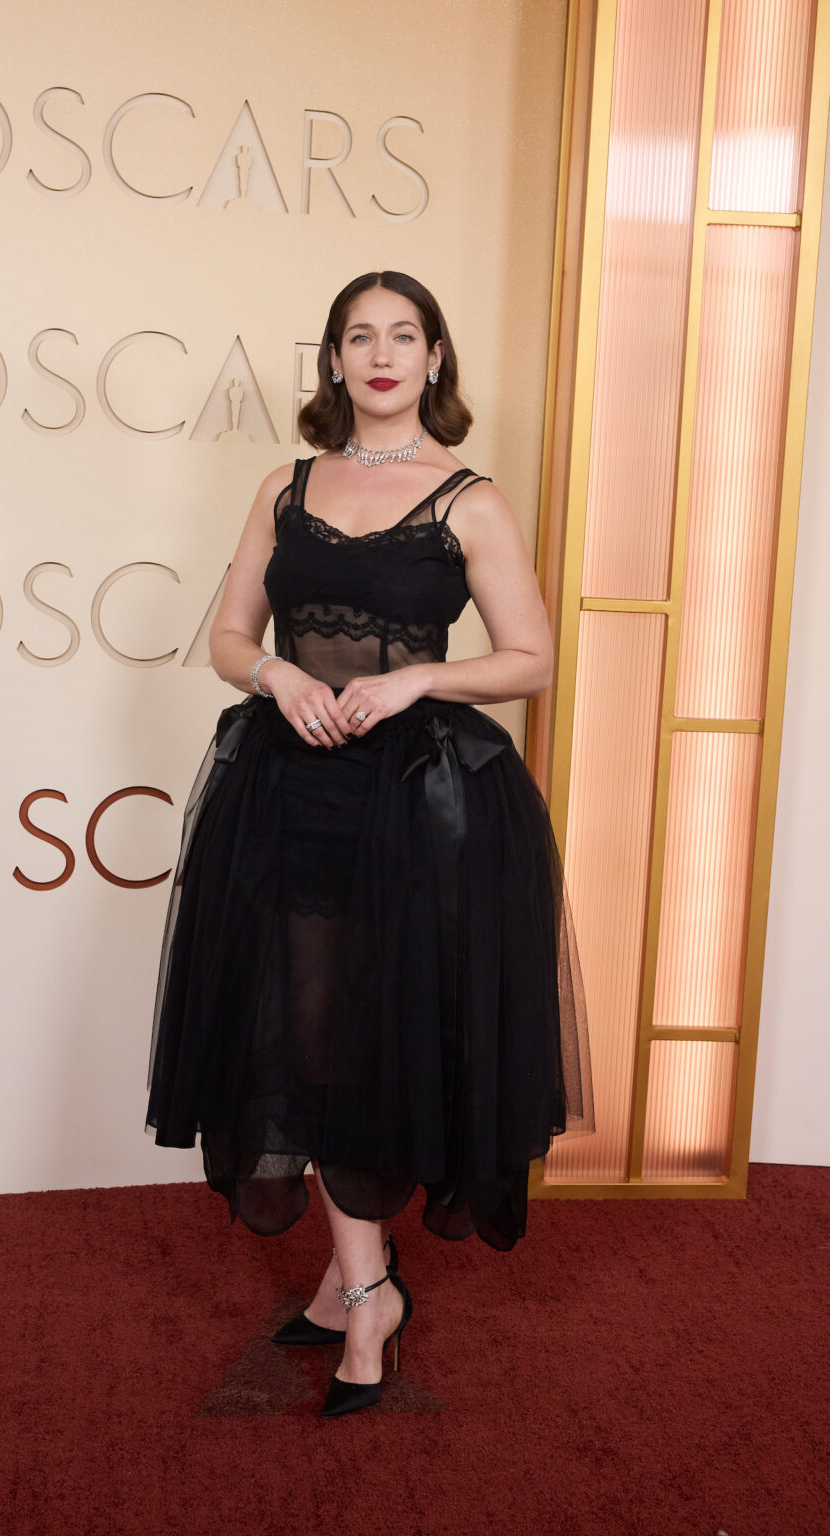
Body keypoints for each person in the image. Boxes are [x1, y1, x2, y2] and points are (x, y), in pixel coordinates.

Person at [145, 270, 595, 1419]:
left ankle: (361, 1291)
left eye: (405, 335)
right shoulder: (283, 487)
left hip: (414, 803)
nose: (382, 353)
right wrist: (279, 670)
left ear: (434, 360)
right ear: (332, 360)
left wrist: (420, 680)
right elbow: (229, 638)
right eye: (359, 335)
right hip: (287, 791)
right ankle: (364, 1286)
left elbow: (530, 658)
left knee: (375, 1036)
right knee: (302, 1030)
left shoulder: (470, 500)